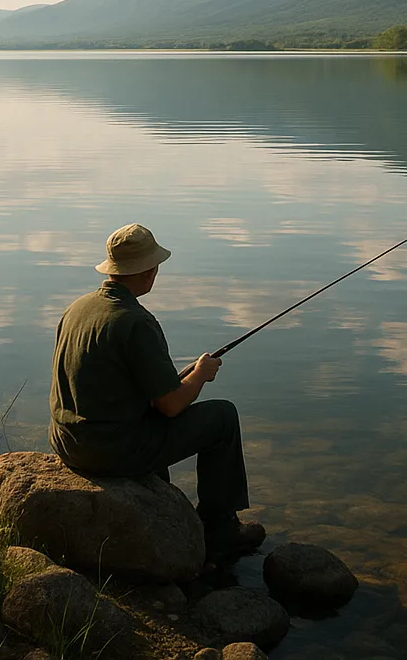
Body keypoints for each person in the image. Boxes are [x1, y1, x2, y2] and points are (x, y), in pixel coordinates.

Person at [49, 222, 265, 559]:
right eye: (156, 266)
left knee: (157, 414)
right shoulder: (135, 321)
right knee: (222, 417)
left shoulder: (76, 309)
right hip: (109, 452)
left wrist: (186, 375)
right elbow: (170, 406)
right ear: (148, 270)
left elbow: (111, 383)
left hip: (68, 444)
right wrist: (202, 375)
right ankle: (219, 528)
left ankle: (163, 499)